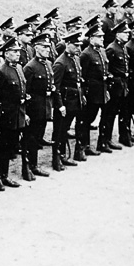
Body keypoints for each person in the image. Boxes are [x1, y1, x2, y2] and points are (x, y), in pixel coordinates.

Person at [0, 38, 28, 190]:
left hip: (17, 114)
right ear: (6, 54)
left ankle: (4, 175)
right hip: (5, 117)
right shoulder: (0, 72)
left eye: (18, 51)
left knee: (10, 146)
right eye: (14, 52)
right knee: (1, 147)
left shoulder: (19, 68)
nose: (17, 54)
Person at [22, 33, 61, 175]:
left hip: (45, 107)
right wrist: (25, 112)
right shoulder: (30, 67)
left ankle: (34, 164)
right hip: (34, 108)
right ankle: (29, 166)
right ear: (36, 48)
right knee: (31, 138)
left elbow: (52, 86)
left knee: (38, 137)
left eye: (48, 47)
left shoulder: (49, 64)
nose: (47, 49)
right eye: (44, 47)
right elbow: (25, 91)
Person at [76, 25, 110, 156]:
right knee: (87, 119)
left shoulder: (102, 51)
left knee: (103, 117)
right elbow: (82, 76)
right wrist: (84, 93)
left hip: (102, 90)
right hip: (91, 92)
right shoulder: (86, 54)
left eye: (102, 36)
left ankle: (102, 143)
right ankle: (84, 146)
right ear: (91, 39)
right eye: (99, 37)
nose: (102, 39)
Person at [51, 31, 84, 166]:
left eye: (79, 45)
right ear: (68, 44)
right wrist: (60, 105)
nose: (78, 48)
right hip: (64, 102)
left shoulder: (75, 59)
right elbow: (55, 87)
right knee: (59, 131)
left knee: (65, 130)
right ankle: (57, 158)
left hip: (74, 100)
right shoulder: (60, 63)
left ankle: (63, 155)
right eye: (75, 45)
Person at [100, 21, 131, 149]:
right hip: (115, 84)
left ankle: (114, 138)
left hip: (123, 83)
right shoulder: (112, 48)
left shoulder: (123, 47)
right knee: (109, 113)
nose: (127, 35)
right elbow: (106, 68)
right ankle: (104, 140)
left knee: (120, 111)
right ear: (118, 35)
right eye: (125, 33)